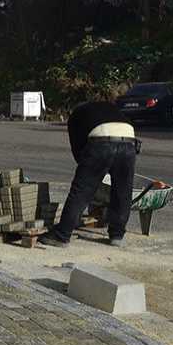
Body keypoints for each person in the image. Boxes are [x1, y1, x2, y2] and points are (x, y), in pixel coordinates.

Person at [38, 101, 138, 248]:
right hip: (129, 143)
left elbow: (77, 147)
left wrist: (87, 171)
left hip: (101, 142)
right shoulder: (110, 108)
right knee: (122, 192)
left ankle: (61, 235)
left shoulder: (76, 116)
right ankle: (117, 235)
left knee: (81, 191)